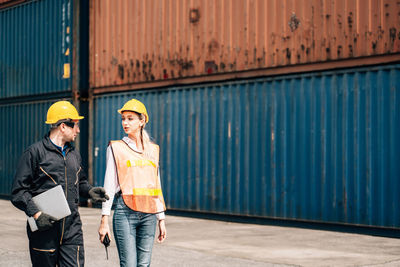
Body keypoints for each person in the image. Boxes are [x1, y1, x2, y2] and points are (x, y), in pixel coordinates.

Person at [11, 100, 109, 267]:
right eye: (75, 125)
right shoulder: (34, 153)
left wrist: (90, 191)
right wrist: (37, 214)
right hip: (45, 231)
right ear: (63, 126)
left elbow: (81, 181)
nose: (78, 130)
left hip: (72, 230)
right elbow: (19, 191)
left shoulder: (74, 154)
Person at [98, 98, 167, 267]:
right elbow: (109, 185)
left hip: (149, 213)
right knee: (129, 264)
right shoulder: (116, 147)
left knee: (144, 265)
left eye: (130, 118)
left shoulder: (152, 150)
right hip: (125, 212)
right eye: (123, 118)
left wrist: (161, 218)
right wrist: (104, 220)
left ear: (142, 120)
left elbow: (155, 185)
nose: (125, 123)